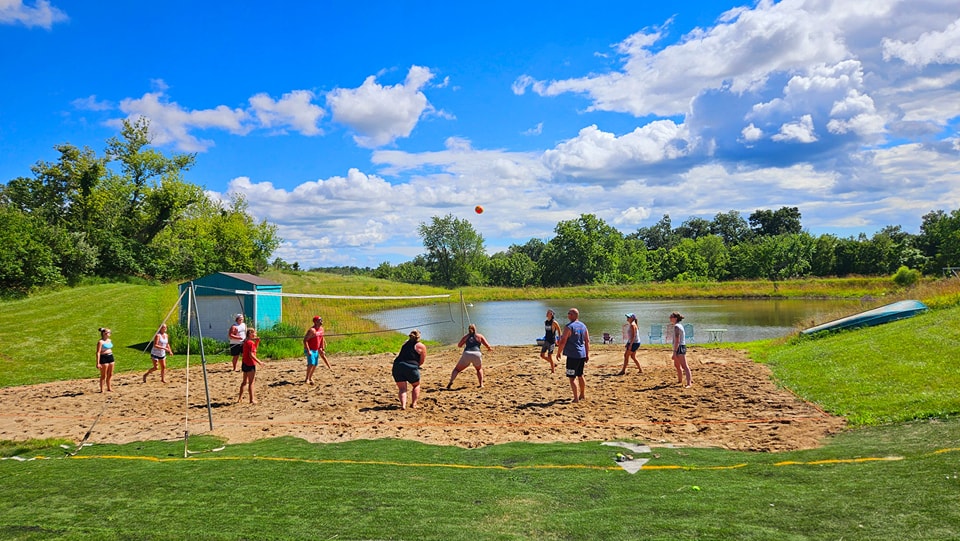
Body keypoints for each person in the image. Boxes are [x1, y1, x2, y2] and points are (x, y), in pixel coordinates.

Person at [556, 308, 590, 403]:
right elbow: (587, 341)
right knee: (580, 375)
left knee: (572, 378)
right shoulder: (583, 326)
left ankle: (576, 398)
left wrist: (559, 352)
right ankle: (582, 394)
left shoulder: (569, 327)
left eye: (569, 313)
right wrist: (587, 354)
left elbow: (563, 341)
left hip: (573, 355)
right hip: (581, 354)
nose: (568, 315)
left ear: (574, 315)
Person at [447, 324, 493, 389]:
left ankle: (451, 381)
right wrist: (489, 349)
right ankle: (481, 384)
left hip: (467, 354)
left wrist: (465, 341)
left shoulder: (466, 336)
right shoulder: (479, 336)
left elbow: (459, 345)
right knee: (479, 369)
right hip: (477, 354)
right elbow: (487, 345)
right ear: (475, 329)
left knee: (457, 369)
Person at [392, 329, 426, 410]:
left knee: (402, 389)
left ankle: (403, 405)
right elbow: (421, 361)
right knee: (416, 385)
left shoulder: (405, 343)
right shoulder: (421, 346)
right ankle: (414, 404)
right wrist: (415, 366)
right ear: (419, 337)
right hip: (410, 367)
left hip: (397, 366)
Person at [237, 327, 263, 403]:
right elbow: (251, 354)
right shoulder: (250, 343)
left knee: (244, 382)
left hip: (244, 363)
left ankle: (239, 398)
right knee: (251, 382)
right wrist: (259, 362)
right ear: (250, 334)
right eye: (254, 333)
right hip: (250, 364)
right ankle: (252, 399)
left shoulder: (246, 341)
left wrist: (257, 342)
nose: (255, 334)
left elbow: (254, 349)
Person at [303, 315, 331, 385]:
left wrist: (322, 347)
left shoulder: (321, 329)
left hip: (316, 349)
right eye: (319, 320)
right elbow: (305, 340)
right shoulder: (312, 330)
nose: (321, 321)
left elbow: (321, 338)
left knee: (315, 364)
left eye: (321, 320)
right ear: (315, 322)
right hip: (310, 349)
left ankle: (310, 377)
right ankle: (307, 379)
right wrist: (308, 350)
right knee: (311, 364)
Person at [670, 312, 692, 387]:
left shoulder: (677, 326)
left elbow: (677, 340)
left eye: (671, 317)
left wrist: (674, 352)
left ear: (675, 318)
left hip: (679, 347)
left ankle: (689, 383)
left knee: (684, 366)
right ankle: (680, 380)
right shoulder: (677, 326)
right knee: (676, 365)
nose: (670, 318)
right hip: (678, 347)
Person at [95, 327, 115, 393]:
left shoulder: (109, 340)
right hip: (103, 357)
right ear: (104, 333)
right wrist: (98, 363)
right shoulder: (100, 342)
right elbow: (98, 352)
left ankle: (109, 387)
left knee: (110, 374)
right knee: (104, 375)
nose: (110, 333)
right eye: (108, 332)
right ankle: (102, 389)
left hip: (110, 356)